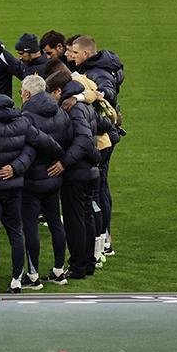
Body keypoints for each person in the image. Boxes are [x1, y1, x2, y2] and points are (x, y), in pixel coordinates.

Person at [0, 85, 60, 293]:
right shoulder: (22, 120)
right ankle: (16, 281)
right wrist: (16, 167)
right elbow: (45, 143)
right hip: (15, 186)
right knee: (16, 232)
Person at [68, 34, 125, 257]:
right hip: (103, 133)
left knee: (98, 191)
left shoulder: (98, 72)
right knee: (101, 188)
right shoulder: (98, 66)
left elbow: (107, 93)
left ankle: (103, 242)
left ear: (86, 53)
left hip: (102, 136)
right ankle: (104, 239)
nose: (70, 56)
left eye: (73, 52)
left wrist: (86, 96)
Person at [45, 70, 100, 279]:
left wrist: (64, 163)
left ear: (58, 90)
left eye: (51, 94)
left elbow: (84, 141)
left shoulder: (73, 108)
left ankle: (78, 266)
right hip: (88, 170)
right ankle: (88, 262)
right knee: (85, 215)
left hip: (77, 172)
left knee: (74, 219)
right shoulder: (84, 102)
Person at [18, 74, 70, 288]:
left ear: (28, 94)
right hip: (54, 175)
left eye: (21, 92)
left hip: (32, 178)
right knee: (55, 222)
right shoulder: (60, 112)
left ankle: (32, 276)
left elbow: (25, 146)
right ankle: (59, 270)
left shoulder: (26, 116)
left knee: (30, 226)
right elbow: (69, 137)